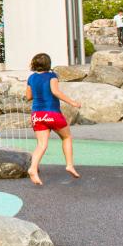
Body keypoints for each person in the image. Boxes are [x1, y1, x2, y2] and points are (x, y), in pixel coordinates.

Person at [24, 52, 82, 186]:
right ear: (48, 64)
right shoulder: (52, 76)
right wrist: (73, 102)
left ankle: (33, 168)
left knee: (41, 144)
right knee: (66, 137)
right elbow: (55, 92)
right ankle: (69, 165)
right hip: (52, 113)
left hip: (37, 115)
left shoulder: (31, 78)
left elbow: (28, 96)